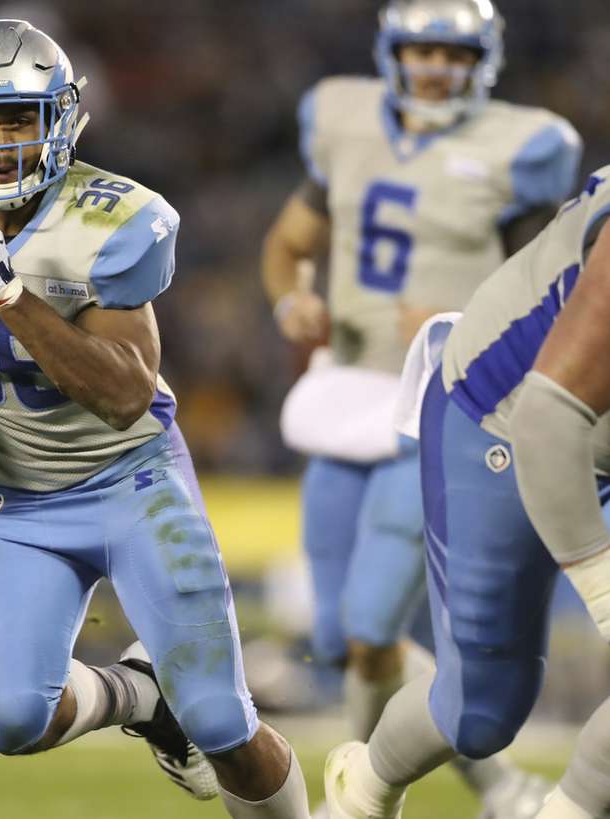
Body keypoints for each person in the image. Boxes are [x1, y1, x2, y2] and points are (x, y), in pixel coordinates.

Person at [0, 19, 310, 818]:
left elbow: (123, 393)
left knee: (222, 720)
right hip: (18, 498)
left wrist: (9, 293)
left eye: (19, 117)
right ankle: (141, 696)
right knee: (10, 718)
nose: (0, 140)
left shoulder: (113, 221)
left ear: (64, 121)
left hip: (133, 478)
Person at [261, 1, 579, 813]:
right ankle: (490, 782)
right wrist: (290, 300)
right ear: (392, 52)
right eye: (422, 49)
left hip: (436, 401)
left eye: (453, 51)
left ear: (484, 60)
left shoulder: (522, 146)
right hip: (346, 400)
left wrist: (465, 310)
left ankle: (366, 798)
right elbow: (289, 243)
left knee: (373, 624)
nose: (436, 66)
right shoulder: (344, 120)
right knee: (342, 640)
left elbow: (552, 289)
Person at [319, 163, 610, 815]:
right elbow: (548, 418)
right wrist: (603, 586)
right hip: (501, 419)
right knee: (479, 710)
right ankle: (360, 790)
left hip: (586, 429)